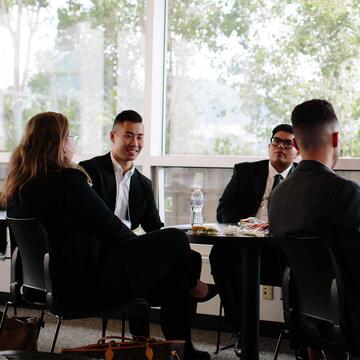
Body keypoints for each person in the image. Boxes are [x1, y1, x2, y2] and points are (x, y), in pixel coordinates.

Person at [2, 112, 210, 360]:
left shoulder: (18, 187)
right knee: (175, 239)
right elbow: (109, 225)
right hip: (86, 283)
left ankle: (177, 348)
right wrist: (140, 249)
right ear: (58, 142)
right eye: (70, 137)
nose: (73, 142)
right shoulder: (69, 180)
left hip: (45, 282)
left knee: (176, 273)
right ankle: (192, 299)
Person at [79, 110, 216, 307]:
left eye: (139, 137)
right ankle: (193, 286)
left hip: (128, 252)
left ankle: (179, 337)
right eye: (128, 135)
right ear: (112, 136)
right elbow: (92, 221)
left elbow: (154, 226)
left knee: (189, 258)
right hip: (102, 254)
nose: (135, 143)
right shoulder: (90, 171)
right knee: (177, 246)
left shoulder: (142, 183)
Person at [269, 99, 360, 358]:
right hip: (349, 316)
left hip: (306, 318)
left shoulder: (279, 195)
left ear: (296, 145)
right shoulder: (345, 192)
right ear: (336, 138)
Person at [209, 124, 299, 356]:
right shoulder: (245, 172)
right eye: (276, 141)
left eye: (288, 143)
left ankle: (302, 340)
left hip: (282, 254)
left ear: (297, 150)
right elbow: (223, 211)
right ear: (269, 145)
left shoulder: (302, 179)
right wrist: (249, 224)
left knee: (304, 268)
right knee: (220, 254)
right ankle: (242, 331)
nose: (281, 146)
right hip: (246, 245)